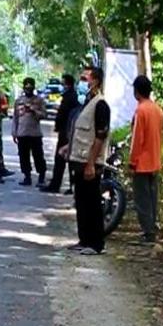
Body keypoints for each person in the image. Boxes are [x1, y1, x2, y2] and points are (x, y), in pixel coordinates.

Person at [64, 66, 110, 255]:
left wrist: (91, 163)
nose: (82, 82)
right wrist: (68, 147)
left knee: (92, 203)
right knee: (81, 201)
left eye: (85, 78)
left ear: (96, 81)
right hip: (79, 160)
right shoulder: (87, 103)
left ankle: (95, 244)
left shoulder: (100, 105)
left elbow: (100, 136)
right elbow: (84, 132)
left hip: (90, 163)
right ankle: (84, 240)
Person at [129, 75, 163, 244]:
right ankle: (151, 229)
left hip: (142, 163)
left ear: (137, 91)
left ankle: (148, 233)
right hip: (154, 161)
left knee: (142, 199)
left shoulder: (140, 110)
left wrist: (132, 161)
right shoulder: (157, 109)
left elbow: (137, 139)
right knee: (152, 198)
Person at [41, 73, 79, 194]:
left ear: (67, 84)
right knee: (66, 159)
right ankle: (66, 185)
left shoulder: (70, 96)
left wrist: (58, 126)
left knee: (62, 158)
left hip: (67, 131)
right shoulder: (71, 95)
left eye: (63, 83)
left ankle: (57, 184)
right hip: (67, 130)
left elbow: (63, 113)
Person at [12, 77, 47, 186]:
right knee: (23, 156)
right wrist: (14, 132)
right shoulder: (19, 101)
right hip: (22, 133)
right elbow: (15, 117)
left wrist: (33, 109)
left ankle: (41, 177)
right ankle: (27, 176)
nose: (28, 90)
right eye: (26, 87)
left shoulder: (39, 100)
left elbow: (44, 115)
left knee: (38, 156)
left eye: (30, 87)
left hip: (35, 133)